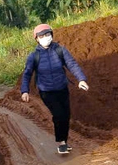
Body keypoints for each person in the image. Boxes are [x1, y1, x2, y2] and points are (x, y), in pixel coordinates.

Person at [20, 24, 89, 155]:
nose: (45, 38)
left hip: (62, 88)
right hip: (46, 91)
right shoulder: (33, 56)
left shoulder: (60, 50)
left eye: (47, 34)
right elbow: (27, 73)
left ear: (51, 35)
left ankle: (64, 141)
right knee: (58, 115)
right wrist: (25, 91)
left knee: (66, 115)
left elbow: (72, 64)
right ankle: (61, 143)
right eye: (42, 36)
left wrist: (81, 79)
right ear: (37, 39)